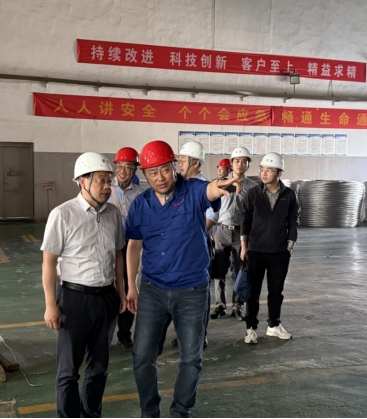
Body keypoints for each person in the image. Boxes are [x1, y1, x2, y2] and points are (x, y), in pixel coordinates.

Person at [125, 140, 242, 418]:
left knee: (191, 358)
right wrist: (131, 286)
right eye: (153, 173)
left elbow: (210, 189)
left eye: (165, 170)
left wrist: (222, 184)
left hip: (191, 290)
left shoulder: (191, 191)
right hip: (153, 289)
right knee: (142, 357)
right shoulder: (141, 204)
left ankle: (180, 411)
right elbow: (133, 245)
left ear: (174, 166)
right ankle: (149, 412)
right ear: (145, 174)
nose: (160, 178)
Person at [41, 152, 127, 418]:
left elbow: (118, 254)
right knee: (68, 371)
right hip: (74, 299)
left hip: (106, 298)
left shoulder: (113, 213)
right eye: (101, 180)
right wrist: (51, 305)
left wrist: (121, 291)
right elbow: (48, 263)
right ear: (82, 181)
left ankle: (91, 414)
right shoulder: (62, 214)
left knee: (99, 368)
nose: (107, 186)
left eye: (109, 181)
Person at [240, 152, 299, 344]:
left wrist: (290, 245)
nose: (264, 174)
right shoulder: (253, 194)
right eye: (262, 170)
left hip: (279, 252)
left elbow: (293, 220)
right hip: (256, 250)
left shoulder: (289, 195)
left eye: (269, 170)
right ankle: (251, 328)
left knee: (276, 291)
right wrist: (244, 246)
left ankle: (274, 325)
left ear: (279, 174)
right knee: (253, 292)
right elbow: (245, 219)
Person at [171, 141, 212, 349]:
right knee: (181, 292)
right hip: (179, 248)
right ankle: (182, 334)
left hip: (198, 246)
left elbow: (211, 218)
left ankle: (200, 335)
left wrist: (190, 233)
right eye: (178, 160)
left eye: (183, 160)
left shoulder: (206, 187)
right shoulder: (179, 185)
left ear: (196, 163)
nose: (179, 164)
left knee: (199, 293)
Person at [209, 147, 258, 320]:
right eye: (237, 161)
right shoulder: (219, 183)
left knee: (240, 270)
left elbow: (255, 213)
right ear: (231, 164)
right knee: (219, 271)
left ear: (248, 165)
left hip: (241, 233)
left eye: (244, 161)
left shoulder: (253, 188)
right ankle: (220, 305)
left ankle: (238, 305)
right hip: (221, 230)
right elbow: (212, 209)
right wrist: (211, 230)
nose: (240, 164)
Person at [108, 147, 144, 351]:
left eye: (128, 167)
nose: (123, 171)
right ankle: (104, 333)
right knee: (107, 288)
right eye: (120, 166)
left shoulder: (140, 194)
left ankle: (124, 333)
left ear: (134, 170)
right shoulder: (106, 188)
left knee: (130, 287)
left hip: (130, 246)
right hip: (108, 245)